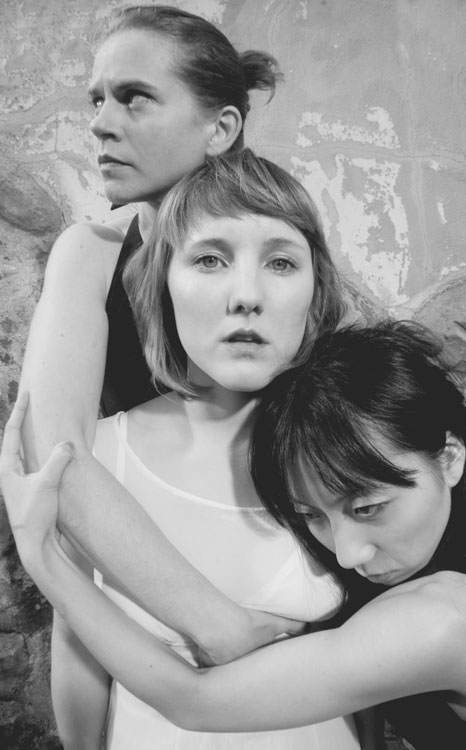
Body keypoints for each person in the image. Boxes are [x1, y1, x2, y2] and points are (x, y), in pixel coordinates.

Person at [3, 321, 466, 750]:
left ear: (450, 458)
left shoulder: (450, 614)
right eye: (312, 516)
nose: (347, 554)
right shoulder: (439, 534)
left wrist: (43, 556)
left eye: (367, 508)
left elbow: (193, 700)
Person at [19, 148, 362, 750]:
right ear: (163, 285)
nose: (246, 296)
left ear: (315, 292)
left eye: (281, 262)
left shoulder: (346, 451)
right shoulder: (98, 460)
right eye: (209, 259)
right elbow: (78, 652)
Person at [18, 2, 302, 679]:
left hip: (279, 558)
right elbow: (54, 459)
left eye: (135, 98)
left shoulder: (285, 242)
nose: (101, 122)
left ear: (219, 128)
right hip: (139, 571)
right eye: (97, 100)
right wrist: (216, 623)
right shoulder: (90, 252)